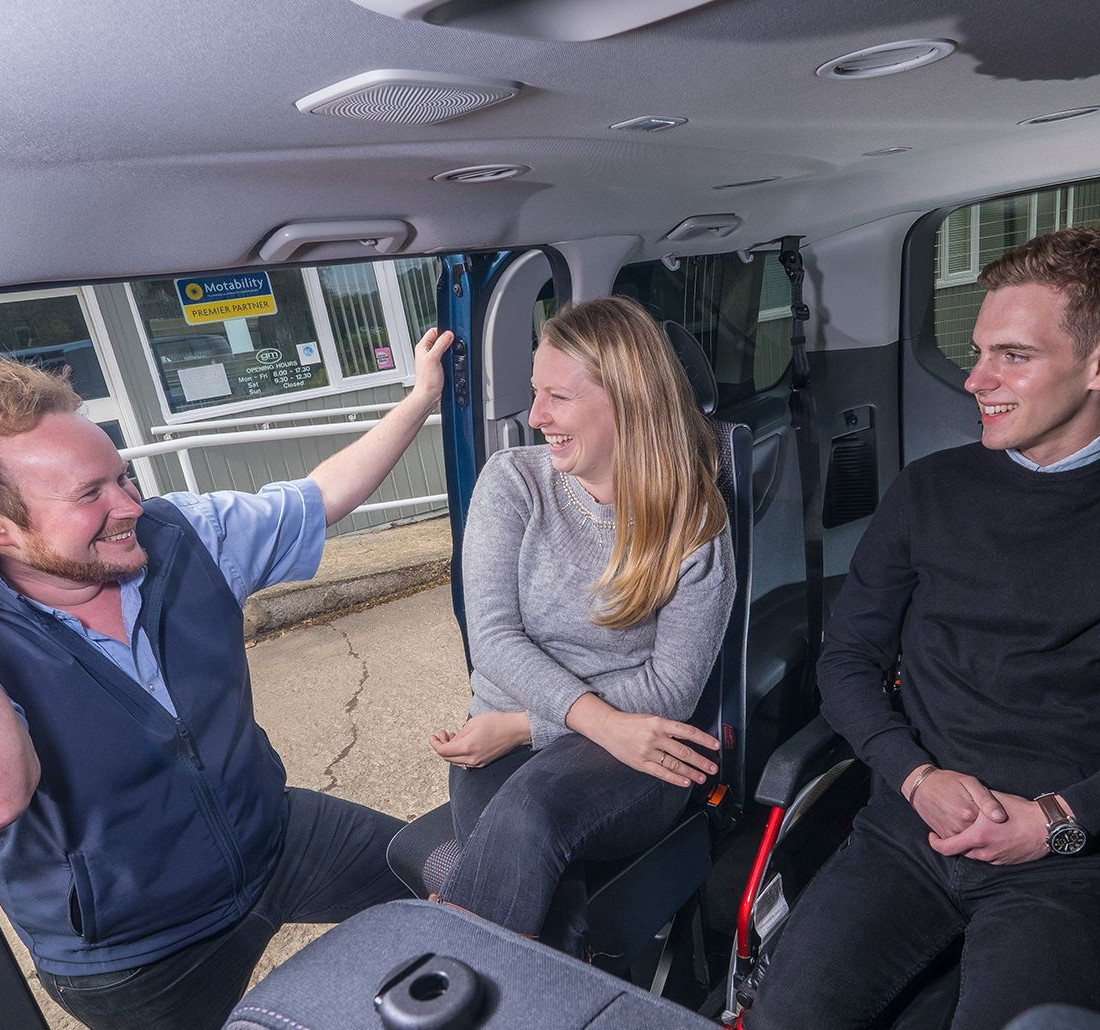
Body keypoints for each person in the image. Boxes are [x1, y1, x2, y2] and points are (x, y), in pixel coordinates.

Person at [0, 326, 453, 1030]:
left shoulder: (182, 536)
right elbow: (6, 790)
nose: (130, 506)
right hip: (135, 948)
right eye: (91, 493)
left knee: (465, 881)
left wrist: (421, 396)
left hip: (273, 836)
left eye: (123, 475)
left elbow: (319, 496)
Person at [750, 227, 1100, 1030]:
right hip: (907, 830)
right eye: (976, 352)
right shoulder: (928, 491)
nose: (977, 380)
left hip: (1066, 859)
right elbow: (848, 661)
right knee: (784, 1018)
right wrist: (914, 777)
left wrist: (1057, 822)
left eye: (1013, 356)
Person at [428, 296, 735, 955]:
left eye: (556, 398)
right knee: (546, 898)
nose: (535, 417)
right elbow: (494, 641)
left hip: (637, 757)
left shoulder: (695, 523)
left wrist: (521, 725)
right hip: (508, 746)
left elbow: (670, 691)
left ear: (625, 401)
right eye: (535, 394)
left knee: (531, 814)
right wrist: (572, 720)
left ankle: (443, 969)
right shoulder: (514, 484)